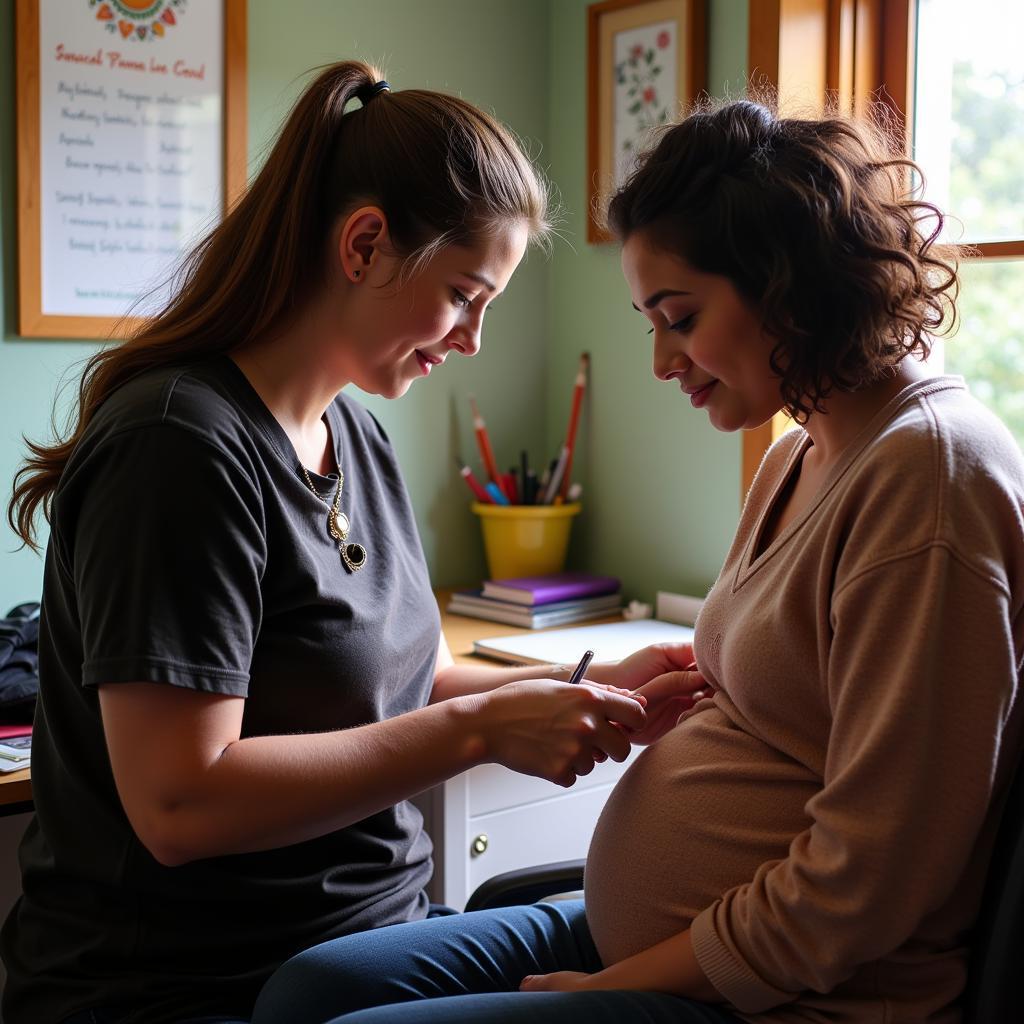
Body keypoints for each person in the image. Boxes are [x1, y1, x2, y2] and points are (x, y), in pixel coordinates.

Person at [248, 98, 1024, 1024]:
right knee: (307, 993)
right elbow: (783, 715)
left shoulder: (929, 477)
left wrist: (619, 987)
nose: (662, 360)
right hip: (653, 940)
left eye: (680, 317)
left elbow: (872, 873)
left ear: (789, 286)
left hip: (795, 998)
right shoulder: (800, 451)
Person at [1, 61, 716, 1024]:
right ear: (366, 243)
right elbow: (179, 804)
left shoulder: (357, 433)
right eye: (466, 294)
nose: (472, 340)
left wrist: (590, 684)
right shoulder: (177, 446)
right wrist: (478, 733)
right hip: (192, 985)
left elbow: (393, 687)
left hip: (373, 939)